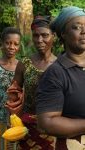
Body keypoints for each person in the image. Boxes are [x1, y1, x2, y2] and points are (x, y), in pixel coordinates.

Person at [35, 6, 85, 150]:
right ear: (63, 33)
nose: (84, 31)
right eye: (77, 27)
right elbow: (47, 123)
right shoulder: (56, 73)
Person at [5, 16, 57, 150]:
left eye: (45, 35)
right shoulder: (24, 63)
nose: (40, 40)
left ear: (54, 36)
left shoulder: (60, 65)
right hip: (27, 129)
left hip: (54, 128)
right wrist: (13, 121)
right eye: (36, 36)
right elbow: (13, 94)